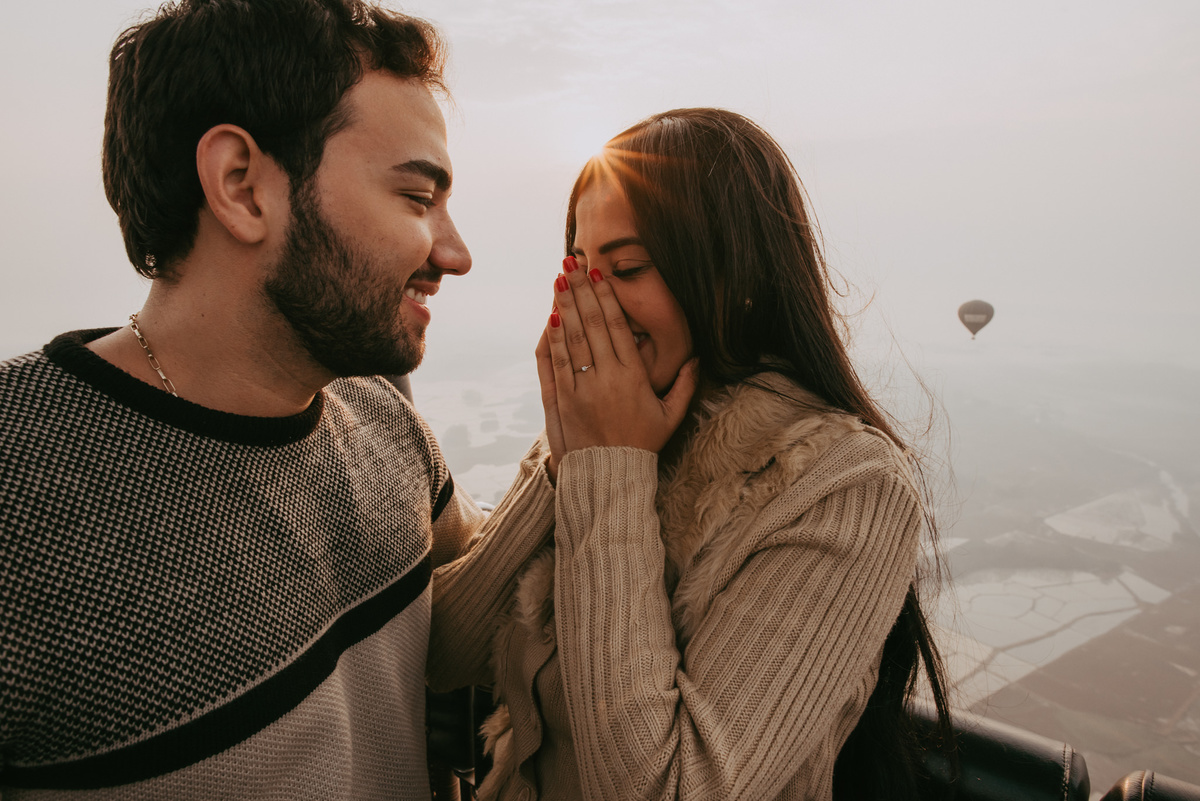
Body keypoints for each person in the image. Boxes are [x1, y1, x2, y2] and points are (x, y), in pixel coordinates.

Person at [0, 1, 540, 797]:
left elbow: (477, 603)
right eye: (417, 199)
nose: (454, 254)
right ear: (242, 186)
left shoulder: (388, 423)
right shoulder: (18, 488)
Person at [428, 108, 954, 800]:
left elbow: (671, 787)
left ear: (730, 271)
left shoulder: (846, 485)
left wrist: (607, 466)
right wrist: (565, 463)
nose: (595, 305)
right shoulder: (600, 433)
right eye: (579, 272)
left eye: (626, 268)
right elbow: (445, 652)